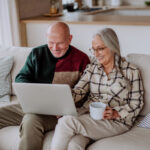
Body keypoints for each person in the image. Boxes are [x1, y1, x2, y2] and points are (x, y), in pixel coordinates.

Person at [0, 22, 90, 150]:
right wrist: (31, 94)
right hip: (33, 105)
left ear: (70, 39)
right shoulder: (37, 53)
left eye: (60, 43)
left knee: (31, 120)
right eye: (51, 42)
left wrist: (65, 109)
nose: (55, 47)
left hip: (60, 114)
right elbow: (21, 77)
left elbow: (87, 94)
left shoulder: (82, 59)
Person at [50, 28, 144, 150]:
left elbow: (137, 103)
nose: (95, 54)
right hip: (91, 118)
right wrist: (61, 102)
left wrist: (116, 113)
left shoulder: (131, 71)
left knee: (66, 122)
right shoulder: (92, 69)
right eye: (93, 49)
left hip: (118, 121)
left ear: (113, 47)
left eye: (100, 49)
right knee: (74, 144)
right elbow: (78, 91)